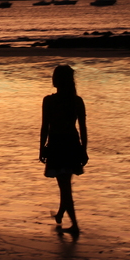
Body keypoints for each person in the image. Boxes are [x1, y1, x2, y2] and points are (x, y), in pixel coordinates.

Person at [39, 64, 88, 235]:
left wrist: (41, 149)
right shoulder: (77, 101)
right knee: (65, 184)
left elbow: (45, 127)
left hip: (57, 145)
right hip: (72, 144)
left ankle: (74, 224)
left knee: (64, 186)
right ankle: (60, 214)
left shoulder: (49, 101)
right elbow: (83, 128)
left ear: (57, 81)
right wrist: (84, 149)